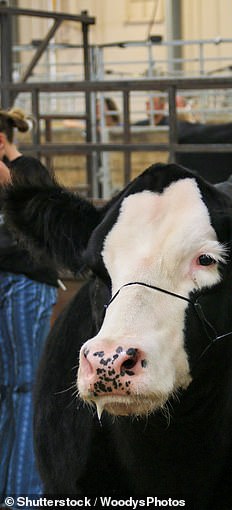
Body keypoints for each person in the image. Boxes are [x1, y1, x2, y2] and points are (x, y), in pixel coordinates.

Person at [0, 108, 59, 500]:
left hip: (25, 283)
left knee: (22, 387)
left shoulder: (29, 170)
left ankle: (23, 492)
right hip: (8, 280)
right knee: (10, 387)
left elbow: (37, 223)